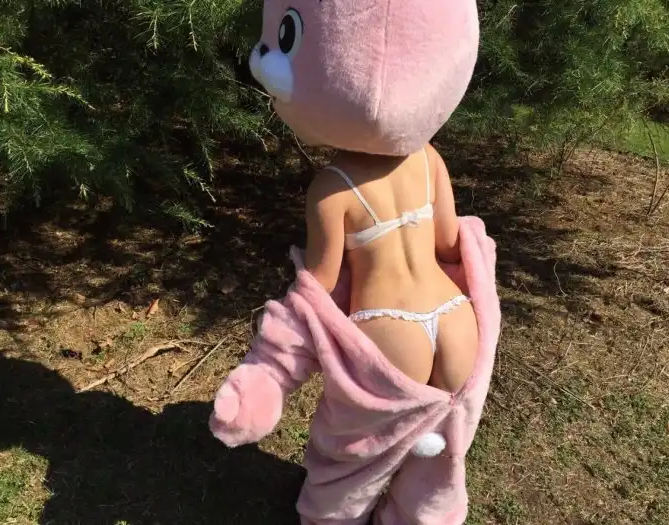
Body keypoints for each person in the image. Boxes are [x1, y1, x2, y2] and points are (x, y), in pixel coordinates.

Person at [210, 1, 501, 523]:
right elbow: (446, 242)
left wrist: (273, 361)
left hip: (390, 329)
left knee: (351, 456)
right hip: (458, 322)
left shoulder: (331, 188)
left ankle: (334, 517)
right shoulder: (429, 158)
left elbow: (318, 291)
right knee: (440, 453)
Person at [304, 146, 479, 393]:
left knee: (362, 418)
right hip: (453, 314)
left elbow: (321, 282)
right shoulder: (427, 155)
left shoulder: (329, 186)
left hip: (387, 322)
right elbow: (449, 246)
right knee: (452, 413)